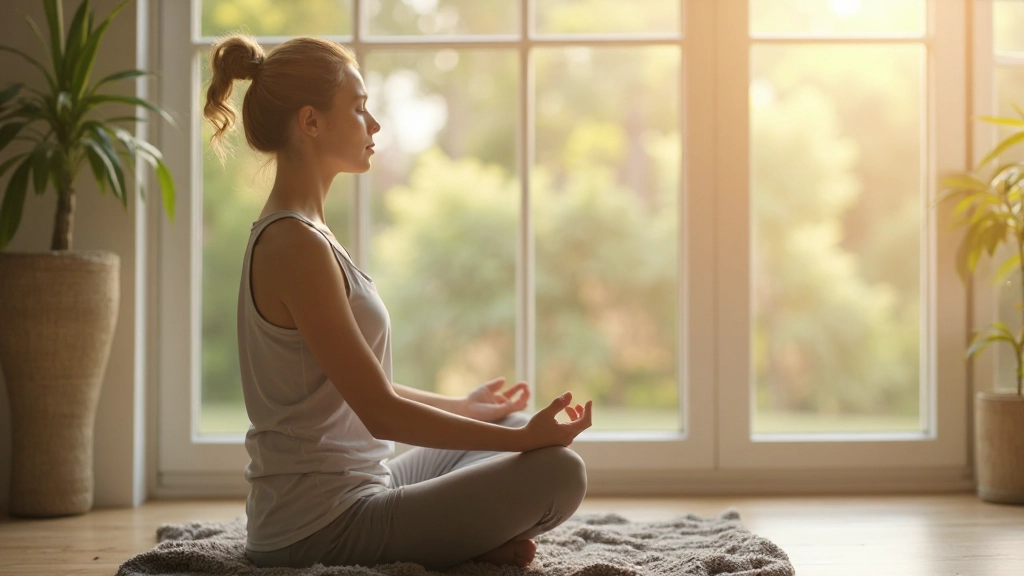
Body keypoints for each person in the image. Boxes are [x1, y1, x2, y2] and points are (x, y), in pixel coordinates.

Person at [202, 33, 594, 571]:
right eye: (360, 109)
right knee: (559, 473)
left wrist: (467, 408)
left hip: (367, 487)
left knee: (508, 429)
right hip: (319, 529)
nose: (375, 125)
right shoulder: (293, 244)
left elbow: (356, 386)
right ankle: (461, 549)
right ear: (311, 122)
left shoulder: (309, 234)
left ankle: (458, 544)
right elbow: (380, 413)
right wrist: (527, 439)